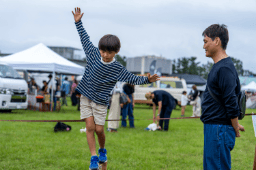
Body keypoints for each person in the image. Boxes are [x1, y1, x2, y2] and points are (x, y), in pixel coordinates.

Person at [72, 7, 159, 170]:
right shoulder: (93, 54)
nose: (105, 55)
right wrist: (78, 22)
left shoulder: (118, 68)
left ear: (116, 52)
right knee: (90, 127)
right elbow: (84, 38)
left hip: (101, 101)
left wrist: (147, 79)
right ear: (99, 49)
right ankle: (93, 157)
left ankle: (102, 149)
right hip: (85, 96)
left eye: (109, 52)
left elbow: (133, 78)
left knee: (99, 129)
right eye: (103, 51)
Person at [200, 24, 245, 170]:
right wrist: (235, 123)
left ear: (217, 41)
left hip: (219, 129)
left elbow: (230, 99)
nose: (203, 46)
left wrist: (235, 126)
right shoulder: (219, 66)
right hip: (214, 127)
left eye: (206, 41)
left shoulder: (224, 67)